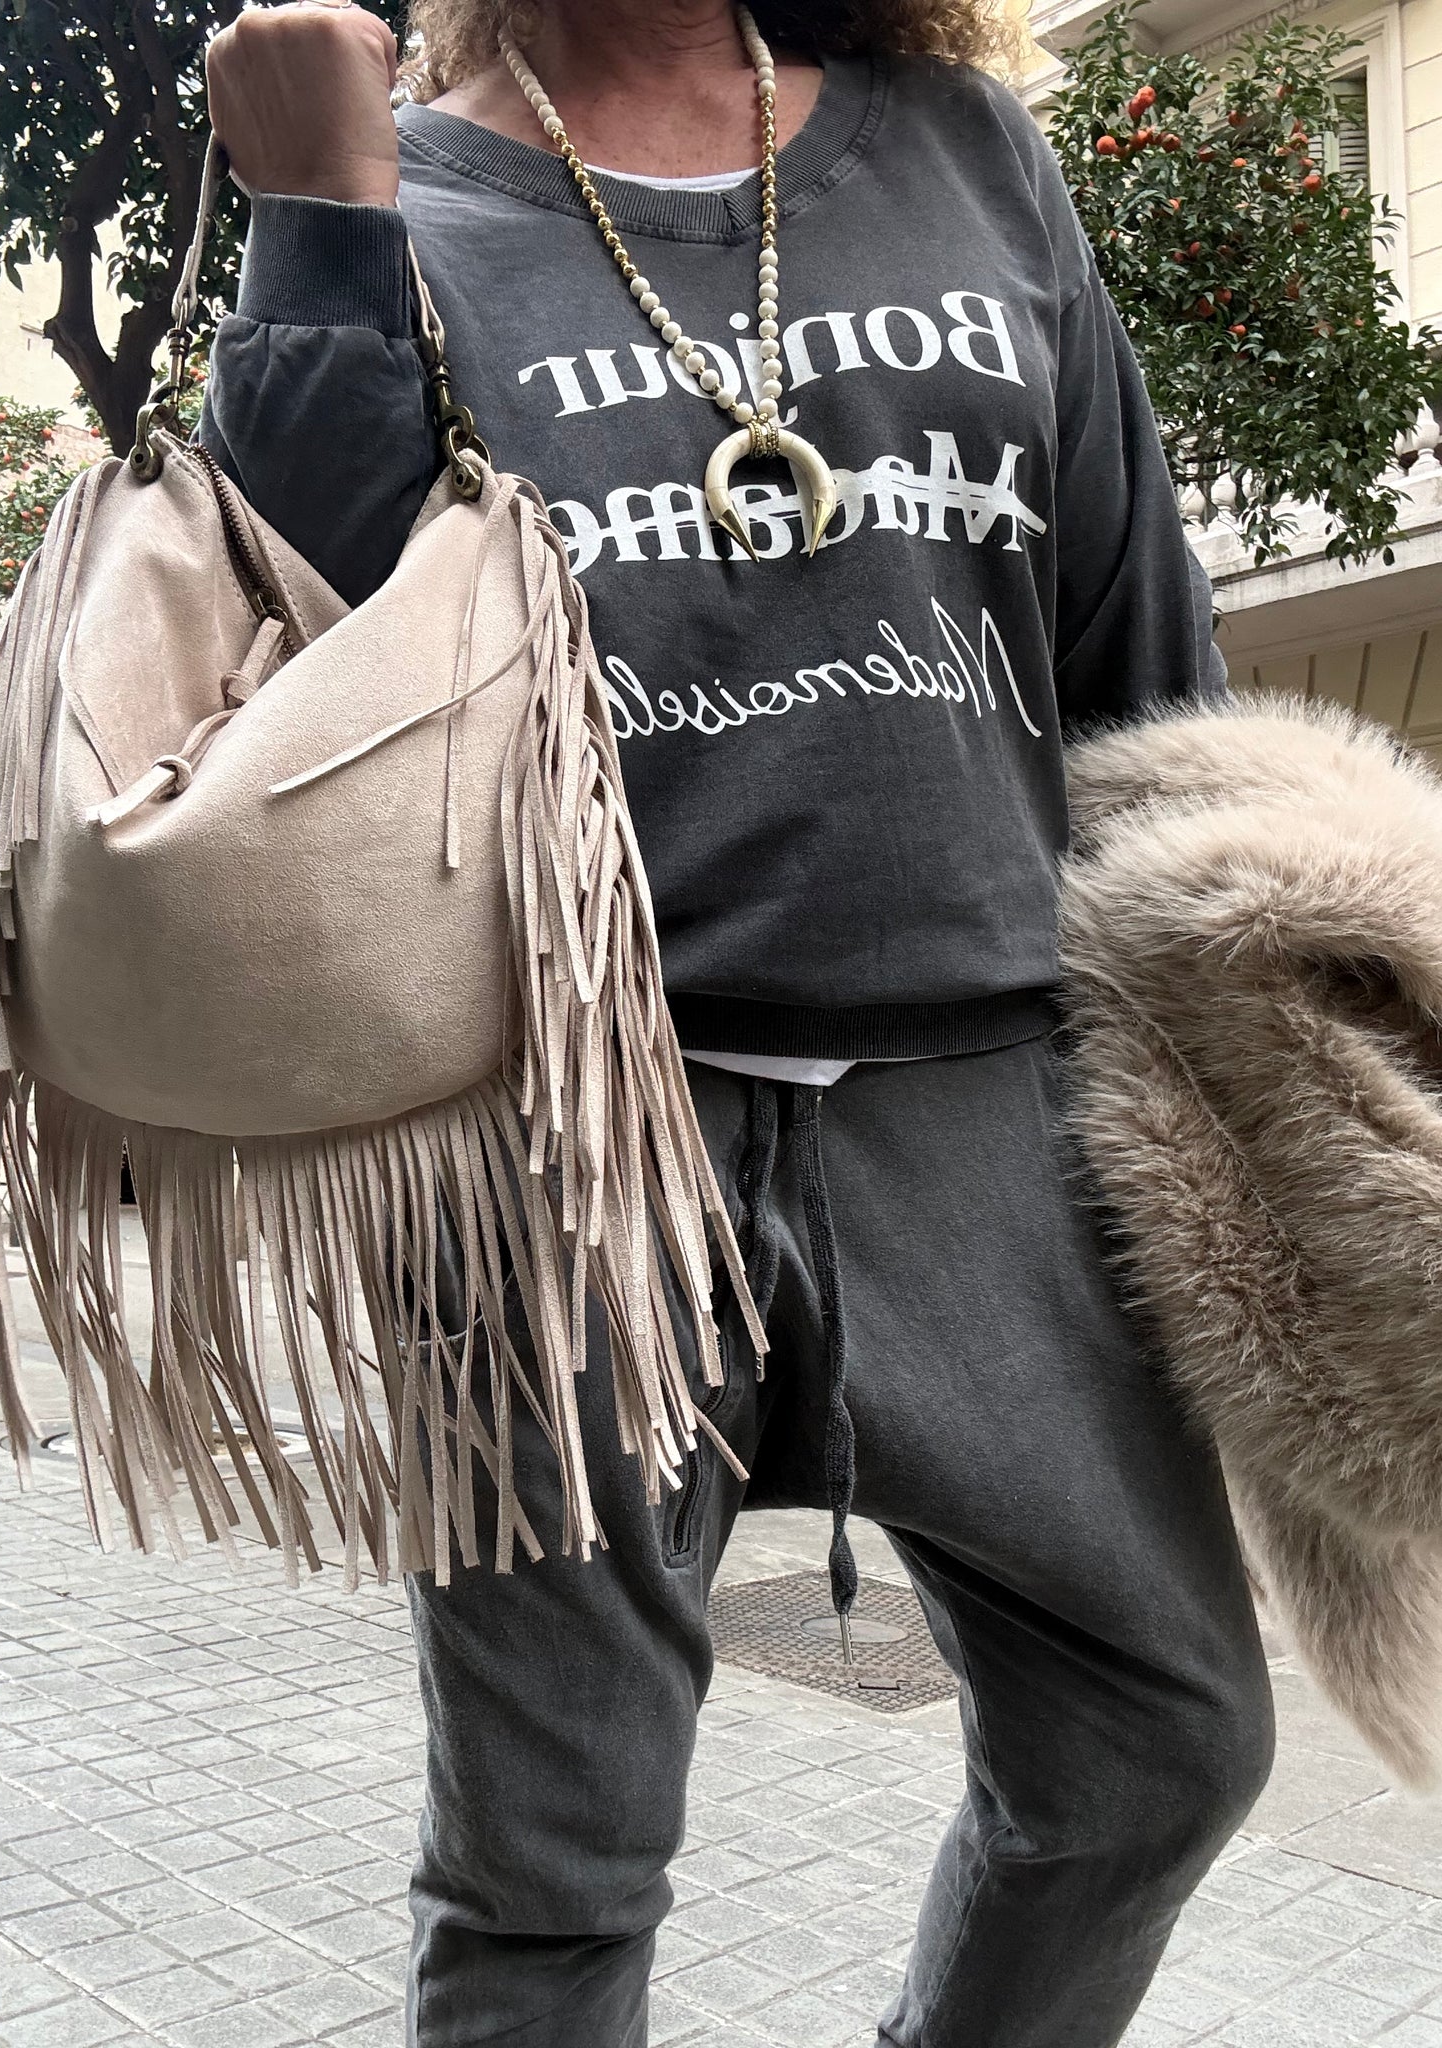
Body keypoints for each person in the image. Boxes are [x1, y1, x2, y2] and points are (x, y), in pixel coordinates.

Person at [201, 3, 1275, 2043]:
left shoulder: (963, 149)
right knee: (548, 1879)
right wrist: (318, 217)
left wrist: (1254, 1053)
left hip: (986, 1102)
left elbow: (1144, 658)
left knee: (1165, 1745)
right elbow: (292, 677)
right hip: (563, 1133)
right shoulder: (402, 193)